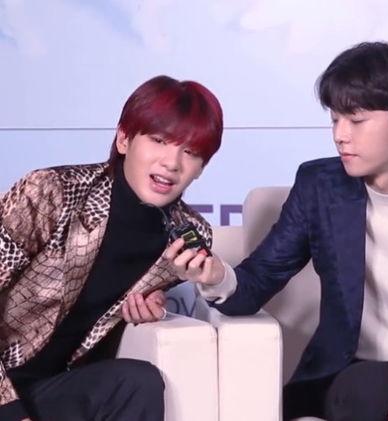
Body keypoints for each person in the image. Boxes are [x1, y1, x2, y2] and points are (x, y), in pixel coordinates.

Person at [169, 42, 388, 420]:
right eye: (334, 119)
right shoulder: (320, 186)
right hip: (358, 374)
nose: (340, 135)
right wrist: (216, 277)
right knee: (366, 388)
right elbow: (258, 280)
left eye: (356, 121)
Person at [0, 74, 223, 420]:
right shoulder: (51, 192)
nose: (172, 162)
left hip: (52, 390)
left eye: (191, 152)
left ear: (201, 168)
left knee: (138, 383)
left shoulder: (187, 238)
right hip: (7, 390)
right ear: (124, 139)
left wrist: (153, 307)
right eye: (159, 140)